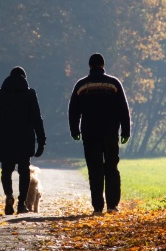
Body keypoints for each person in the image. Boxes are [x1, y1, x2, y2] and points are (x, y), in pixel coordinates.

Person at [68, 53, 131, 215]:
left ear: (90, 66)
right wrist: (125, 130)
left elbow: (73, 110)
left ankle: (97, 207)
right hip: (110, 133)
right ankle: (112, 205)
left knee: (94, 169)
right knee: (111, 167)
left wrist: (75, 130)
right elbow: (123, 109)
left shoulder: (81, 85)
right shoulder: (113, 83)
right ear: (103, 65)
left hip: (90, 133)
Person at [0, 66, 46, 215]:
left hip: (6, 139)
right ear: (24, 79)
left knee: (6, 171)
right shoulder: (30, 94)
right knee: (24, 171)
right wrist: (41, 140)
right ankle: (21, 204)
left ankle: (8, 197)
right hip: (25, 139)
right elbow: (37, 119)